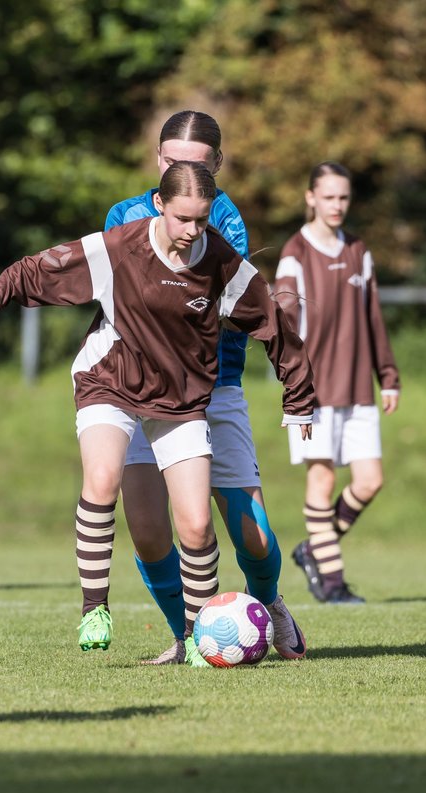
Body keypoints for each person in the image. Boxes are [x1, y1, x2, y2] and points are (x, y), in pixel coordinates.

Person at [0, 161, 315, 655]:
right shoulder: (120, 249)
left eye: (203, 220)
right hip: (112, 382)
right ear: (159, 205)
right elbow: (31, 272)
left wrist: (299, 398)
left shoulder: (220, 261)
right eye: (183, 218)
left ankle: (196, 639)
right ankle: (94, 609)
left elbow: (273, 324)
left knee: (195, 524)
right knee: (101, 481)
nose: (193, 231)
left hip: (180, 398)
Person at [106, 110, 306, 665]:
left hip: (212, 390)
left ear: (217, 164)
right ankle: (189, 638)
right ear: (158, 160)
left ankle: (267, 605)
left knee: (255, 537)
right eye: (171, 161)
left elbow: (217, 302)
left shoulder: (226, 219)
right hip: (138, 389)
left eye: (195, 163)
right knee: (148, 532)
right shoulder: (123, 215)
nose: (181, 171)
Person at [276, 162, 400, 605]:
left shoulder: (358, 250)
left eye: (343, 197)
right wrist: (293, 387)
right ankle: (332, 583)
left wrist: (388, 375)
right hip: (313, 391)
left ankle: (314, 548)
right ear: (311, 197)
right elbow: (284, 326)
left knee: (369, 480)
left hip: (358, 387)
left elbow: (373, 318)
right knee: (322, 481)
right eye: (328, 197)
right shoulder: (295, 253)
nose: (337, 206)